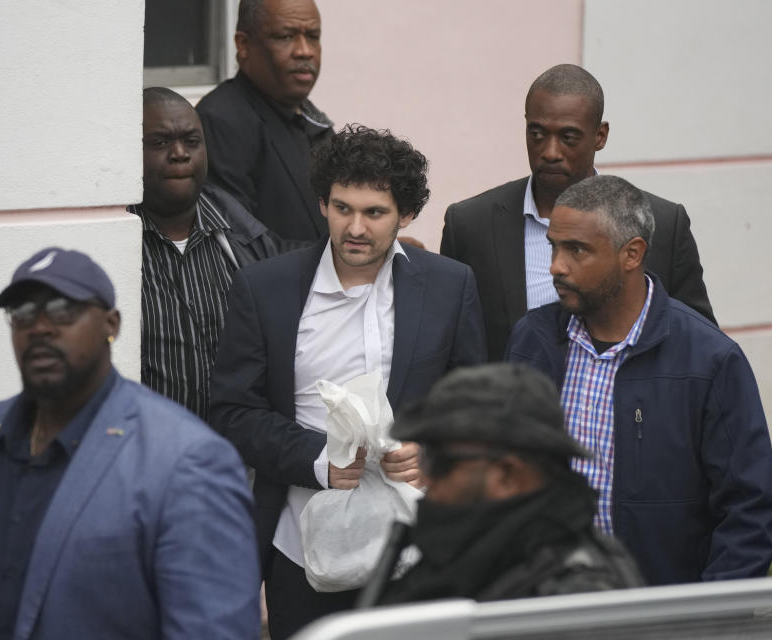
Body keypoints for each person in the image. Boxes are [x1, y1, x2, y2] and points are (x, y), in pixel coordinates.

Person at [209, 125, 486, 639]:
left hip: (420, 542)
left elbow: (473, 403)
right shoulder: (265, 289)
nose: (355, 227)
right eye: (342, 208)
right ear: (323, 205)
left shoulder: (451, 285)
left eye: (374, 213)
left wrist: (437, 450)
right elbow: (232, 411)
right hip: (302, 545)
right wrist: (320, 461)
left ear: (406, 215)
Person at [0, 248, 260, 640]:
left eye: (61, 309)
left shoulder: (187, 461)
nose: (39, 327)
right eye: (22, 314)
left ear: (112, 324)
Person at [505, 175, 772, 586]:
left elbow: (749, 511)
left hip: (661, 613)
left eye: (576, 250)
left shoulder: (709, 360)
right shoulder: (533, 339)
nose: (556, 267)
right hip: (548, 606)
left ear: (632, 254)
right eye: (554, 247)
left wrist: (709, 619)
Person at [441, 64, 715, 360]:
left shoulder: (661, 223)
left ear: (600, 135)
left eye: (568, 137)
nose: (550, 151)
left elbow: (698, 343)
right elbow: (450, 344)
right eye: (536, 134)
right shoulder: (470, 224)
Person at [359, 363, 644, 606]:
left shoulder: (578, 596)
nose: (427, 477)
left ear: (508, 474)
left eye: (440, 461)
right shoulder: (469, 554)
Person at [130, 87, 285, 425]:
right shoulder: (117, 247)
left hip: (236, 462)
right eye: (159, 143)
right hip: (145, 460)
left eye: (191, 141)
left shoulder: (244, 241)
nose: (179, 154)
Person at [195, 0, 332, 242]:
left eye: (313, 36)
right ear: (244, 45)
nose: (305, 50)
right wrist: (349, 260)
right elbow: (245, 246)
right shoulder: (221, 119)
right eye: (286, 36)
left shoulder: (310, 117)